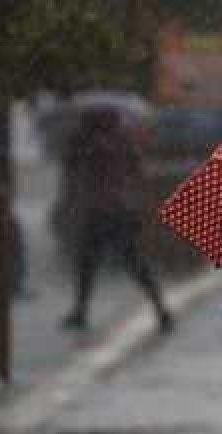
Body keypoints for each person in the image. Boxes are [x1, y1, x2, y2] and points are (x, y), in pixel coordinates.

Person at [59, 108, 172, 333]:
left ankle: (81, 311)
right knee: (133, 263)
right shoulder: (122, 141)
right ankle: (160, 309)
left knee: (88, 263)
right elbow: (137, 172)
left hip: (98, 210)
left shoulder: (87, 145)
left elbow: (72, 174)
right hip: (122, 209)